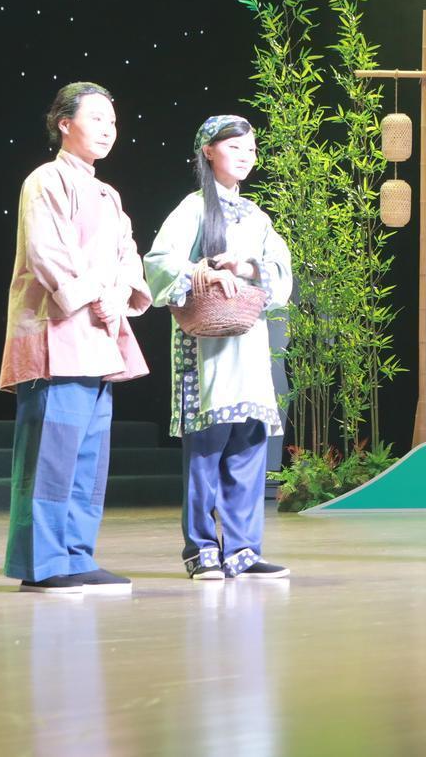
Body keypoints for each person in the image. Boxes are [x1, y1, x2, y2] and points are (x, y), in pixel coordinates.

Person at [0, 82, 151, 594]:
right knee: (50, 456)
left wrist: (120, 294)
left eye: (113, 121)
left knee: (87, 459)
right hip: (57, 334)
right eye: (97, 119)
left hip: (99, 338)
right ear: (65, 124)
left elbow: (130, 254)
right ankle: (42, 564)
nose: (109, 130)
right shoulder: (46, 180)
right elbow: (47, 254)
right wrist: (97, 295)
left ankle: (76, 555)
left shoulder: (108, 194)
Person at [145, 115, 293, 579]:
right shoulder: (192, 208)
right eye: (235, 147)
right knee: (207, 448)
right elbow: (159, 262)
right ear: (208, 152)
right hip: (206, 349)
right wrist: (201, 271)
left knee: (248, 440)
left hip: (247, 343)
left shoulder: (257, 216)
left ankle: (244, 550)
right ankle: (202, 549)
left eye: (251, 149)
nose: (247, 156)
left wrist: (247, 267)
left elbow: (281, 274)